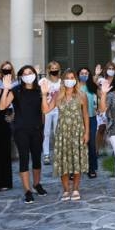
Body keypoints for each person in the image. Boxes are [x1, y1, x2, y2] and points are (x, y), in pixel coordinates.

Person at [0, 66, 49, 204]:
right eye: (25, 73)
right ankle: (27, 190)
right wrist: (5, 89)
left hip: (37, 129)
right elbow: (2, 106)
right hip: (21, 130)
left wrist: (43, 128)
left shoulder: (40, 90)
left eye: (30, 73)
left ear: (35, 74)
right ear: (21, 76)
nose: (28, 75)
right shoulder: (16, 90)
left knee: (37, 158)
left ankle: (37, 184)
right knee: (24, 159)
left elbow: (43, 111)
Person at [43, 71, 89, 201]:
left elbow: (85, 115)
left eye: (72, 78)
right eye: (67, 78)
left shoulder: (82, 95)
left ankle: (75, 188)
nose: (70, 80)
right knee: (63, 161)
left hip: (77, 131)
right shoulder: (58, 95)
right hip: (62, 132)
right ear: (63, 81)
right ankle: (65, 189)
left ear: (75, 80)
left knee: (77, 161)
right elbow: (45, 110)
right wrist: (44, 94)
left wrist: (86, 133)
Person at [77, 67, 99, 178]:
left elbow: (99, 98)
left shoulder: (92, 86)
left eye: (86, 73)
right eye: (82, 73)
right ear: (78, 74)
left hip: (91, 118)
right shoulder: (75, 87)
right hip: (77, 119)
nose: (84, 75)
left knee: (91, 143)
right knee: (76, 144)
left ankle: (91, 168)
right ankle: (75, 170)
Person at [41, 61, 62, 165]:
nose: (54, 70)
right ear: (48, 70)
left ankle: (58, 153)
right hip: (47, 109)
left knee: (57, 132)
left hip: (58, 109)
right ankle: (46, 154)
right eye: (52, 68)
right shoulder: (44, 81)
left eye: (56, 68)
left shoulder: (61, 82)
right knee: (46, 132)